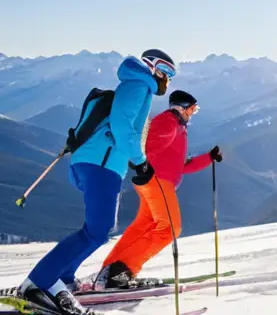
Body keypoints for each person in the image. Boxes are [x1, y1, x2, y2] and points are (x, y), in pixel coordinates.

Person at [17, 49, 177, 315]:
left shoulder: (136, 85)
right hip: (101, 164)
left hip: (99, 163)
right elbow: (123, 127)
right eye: (165, 72)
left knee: (97, 229)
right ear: (152, 67)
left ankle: (64, 278)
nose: (167, 80)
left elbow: (123, 130)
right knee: (98, 230)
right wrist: (140, 161)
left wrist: (135, 161)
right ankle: (37, 283)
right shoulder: (139, 84)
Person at [93, 90, 222, 290]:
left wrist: (209, 158)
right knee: (170, 228)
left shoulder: (176, 126)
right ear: (182, 107)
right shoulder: (169, 122)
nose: (193, 114)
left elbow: (181, 165)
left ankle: (110, 270)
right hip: (157, 180)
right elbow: (149, 145)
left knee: (144, 225)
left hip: (156, 180)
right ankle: (120, 270)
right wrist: (142, 164)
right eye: (192, 109)